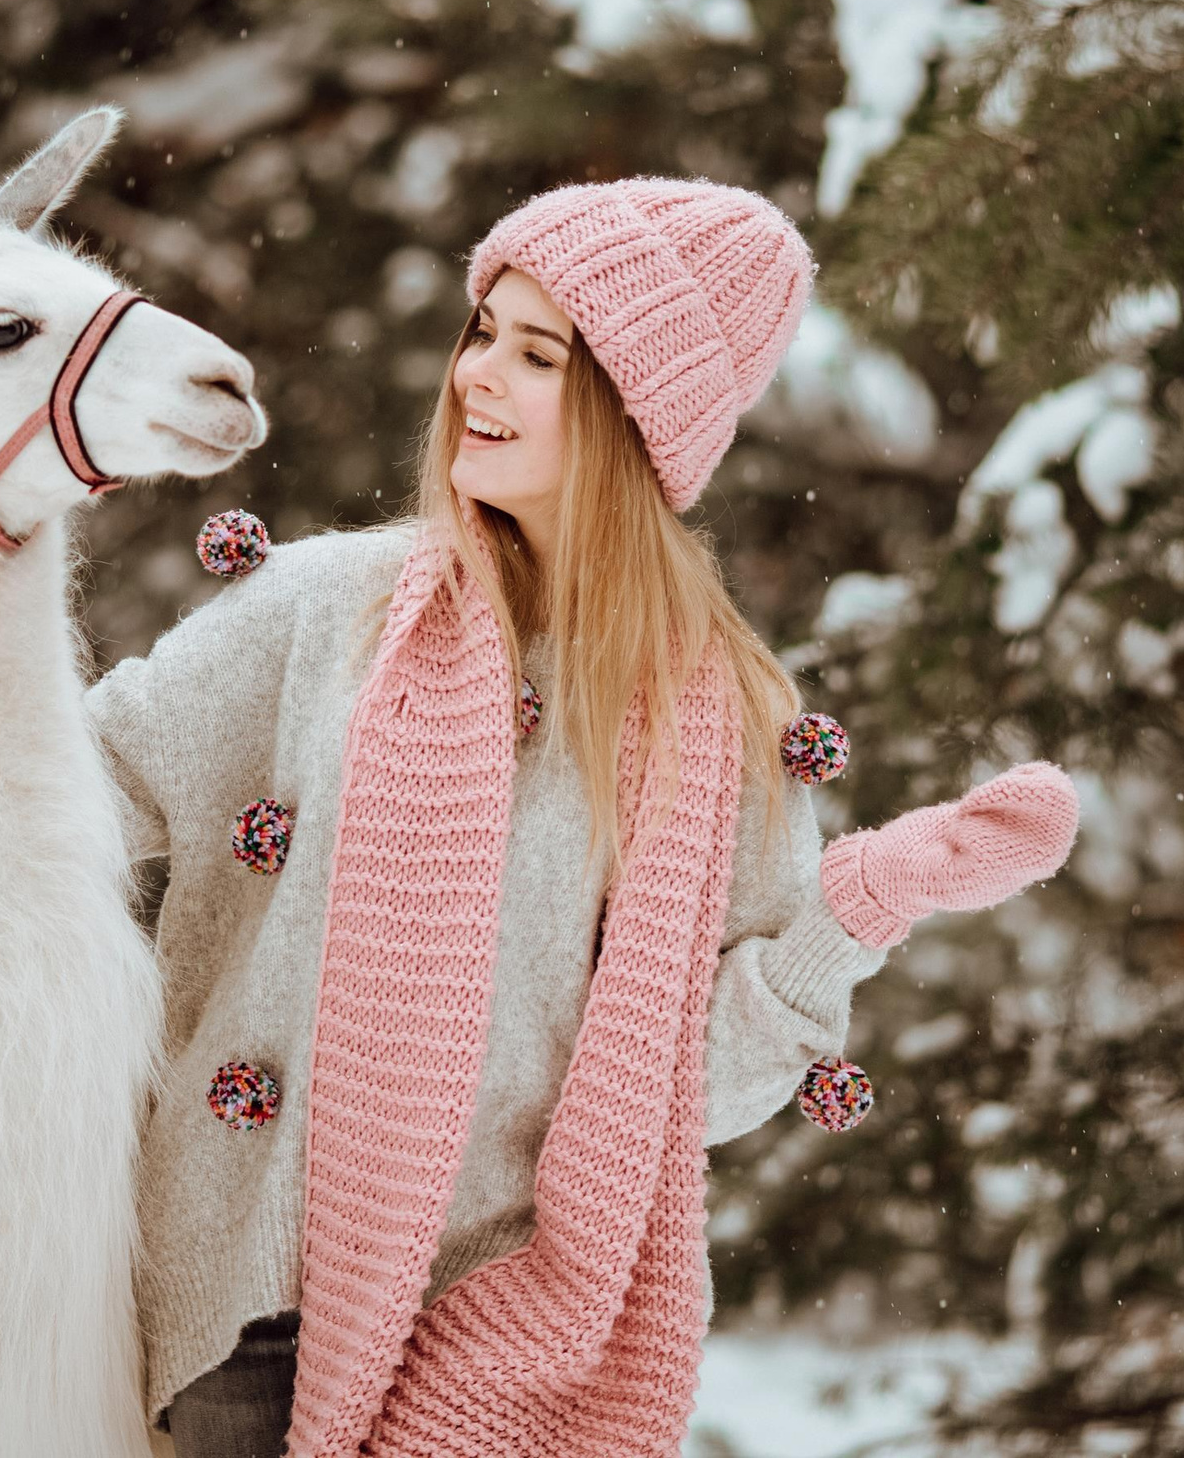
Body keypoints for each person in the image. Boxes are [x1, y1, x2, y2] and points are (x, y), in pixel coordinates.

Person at [86, 178, 1081, 1458]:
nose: (474, 377)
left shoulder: (713, 720)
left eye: (535, 352)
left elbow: (687, 1092)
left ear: (629, 414)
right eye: (479, 332)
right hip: (242, 1307)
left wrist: (859, 905)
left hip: (493, 1346)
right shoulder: (324, 609)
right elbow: (69, 798)